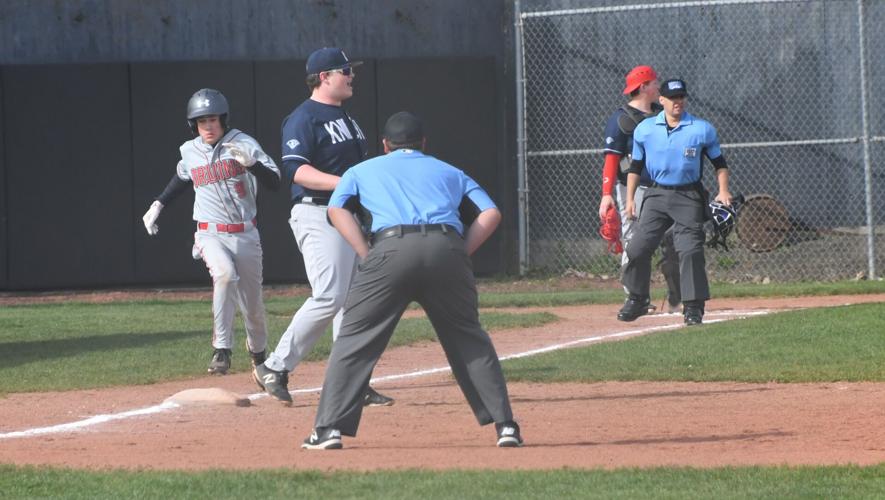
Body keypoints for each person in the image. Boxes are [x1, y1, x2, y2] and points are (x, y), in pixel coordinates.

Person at [301, 111, 522, 450]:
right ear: (423, 144)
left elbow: (336, 210)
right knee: (468, 337)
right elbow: (490, 213)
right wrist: (460, 250)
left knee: (355, 339)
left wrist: (365, 253)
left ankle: (328, 430)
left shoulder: (361, 170)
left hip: (389, 248)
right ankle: (505, 426)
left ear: (385, 145)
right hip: (446, 248)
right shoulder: (450, 170)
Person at [251, 47, 393, 407]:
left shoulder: (346, 117)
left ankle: (352, 382)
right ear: (324, 76)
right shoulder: (304, 117)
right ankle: (273, 367)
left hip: (347, 217)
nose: (352, 75)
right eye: (345, 70)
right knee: (330, 294)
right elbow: (296, 171)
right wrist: (344, 183)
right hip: (317, 214)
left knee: (354, 302)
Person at [141, 88, 280, 374]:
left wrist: (252, 165)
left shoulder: (243, 143)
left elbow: (275, 181)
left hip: (245, 233)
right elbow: (182, 177)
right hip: (210, 232)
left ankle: (258, 353)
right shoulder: (189, 151)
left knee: (252, 306)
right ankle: (222, 349)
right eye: (201, 121)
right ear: (193, 124)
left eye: (213, 119)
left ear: (223, 119)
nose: (208, 126)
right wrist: (158, 203)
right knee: (225, 275)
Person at [618, 78, 733, 326]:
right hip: (656, 195)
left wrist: (723, 191)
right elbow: (635, 168)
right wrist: (629, 200)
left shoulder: (701, 129)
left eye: (681, 97)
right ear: (662, 101)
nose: (678, 101)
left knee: (690, 249)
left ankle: (693, 307)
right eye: (672, 97)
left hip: (688, 195)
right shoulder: (645, 130)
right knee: (637, 248)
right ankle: (637, 299)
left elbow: (720, 165)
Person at [599, 65, 681, 314]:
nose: (659, 87)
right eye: (655, 83)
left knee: (673, 239)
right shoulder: (621, 119)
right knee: (634, 239)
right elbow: (611, 159)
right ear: (643, 87)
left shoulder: (661, 115)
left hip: (666, 188)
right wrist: (606, 195)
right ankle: (635, 297)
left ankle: (676, 295)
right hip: (632, 190)